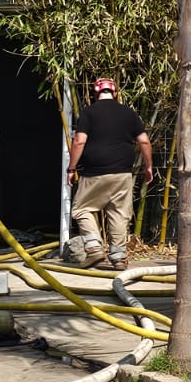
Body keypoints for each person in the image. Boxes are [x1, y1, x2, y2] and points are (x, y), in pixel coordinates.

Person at [66, 78, 153, 270]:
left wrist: (71, 168)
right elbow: (144, 141)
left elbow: (79, 141)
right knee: (119, 214)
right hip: (123, 173)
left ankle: (94, 248)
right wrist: (148, 167)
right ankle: (119, 258)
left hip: (94, 172)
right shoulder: (129, 113)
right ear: (115, 93)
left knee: (81, 209)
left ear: (96, 94)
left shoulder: (89, 112)